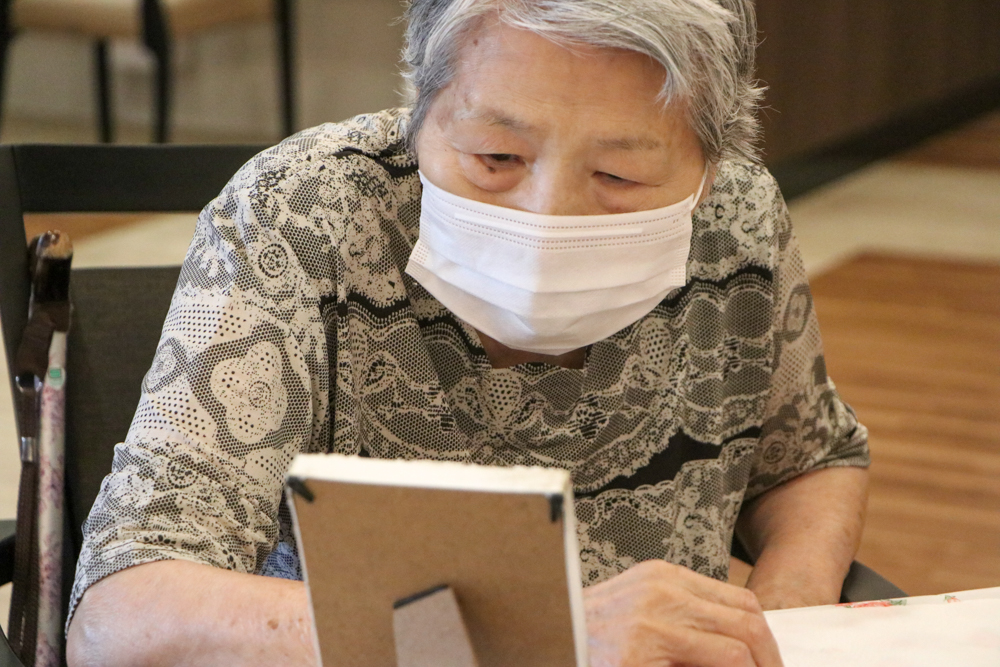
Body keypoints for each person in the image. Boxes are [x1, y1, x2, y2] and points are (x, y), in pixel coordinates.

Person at [66, 1, 870, 666]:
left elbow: (808, 459)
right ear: (419, 112)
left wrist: (783, 619)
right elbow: (122, 614)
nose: (547, 216)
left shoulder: (739, 218)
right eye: (495, 156)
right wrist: (540, 640)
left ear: (710, 167)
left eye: (618, 174)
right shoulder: (301, 215)